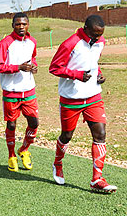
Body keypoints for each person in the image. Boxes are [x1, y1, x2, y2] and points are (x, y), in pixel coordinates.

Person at [49, 14, 117, 193]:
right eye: (94, 34)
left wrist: (99, 74)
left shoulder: (100, 41)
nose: (97, 38)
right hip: (71, 98)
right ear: (85, 28)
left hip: (93, 96)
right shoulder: (70, 43)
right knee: (67, 136)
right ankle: (57, 163)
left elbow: (93, 63)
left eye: (100, 34)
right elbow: (54, 68)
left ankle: (97, 179)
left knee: (100, 134)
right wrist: (77, 75)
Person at [0, 12, 39, 172]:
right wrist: (18, 67)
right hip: (11, 92)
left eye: (24, 24)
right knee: (11, 124)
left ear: (28, 25)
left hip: (29, 90)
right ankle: (11, 155)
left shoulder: (32, 41)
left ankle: (24, 150)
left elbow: (32, 59)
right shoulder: (5, 43)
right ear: (13, 25)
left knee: (34, 123)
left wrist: (33, 66)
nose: (21, 27)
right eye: (18, 24)